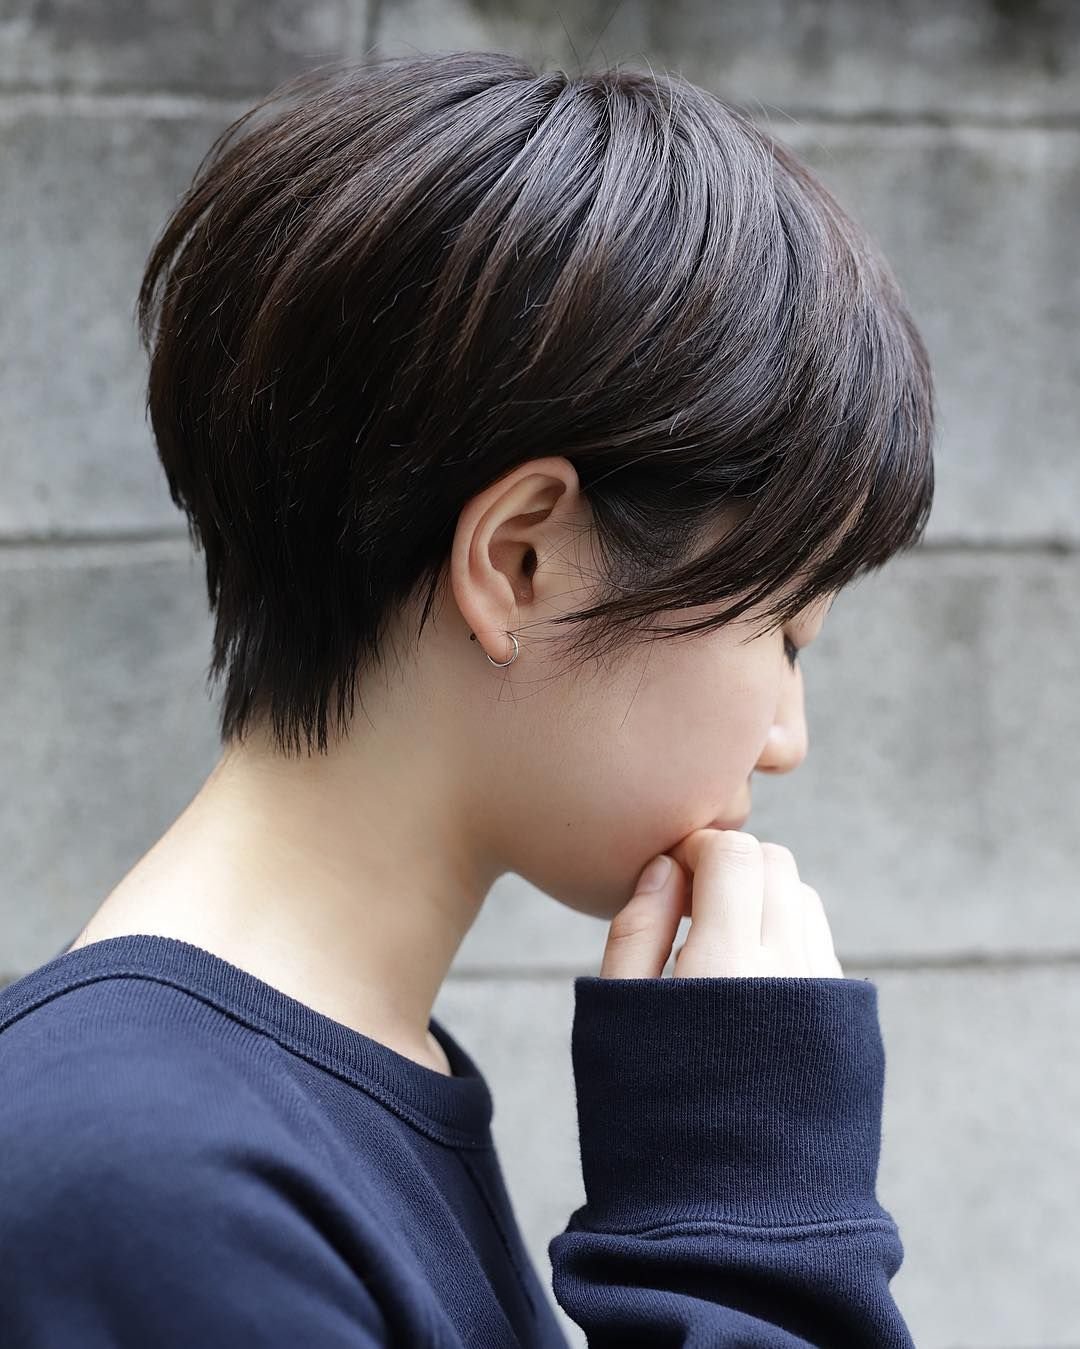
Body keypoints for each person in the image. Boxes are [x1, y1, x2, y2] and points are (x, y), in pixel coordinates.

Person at [0, 48, 934, 1347]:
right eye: (784, 632)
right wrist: (749, 1231)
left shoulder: (290, 1103)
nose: (788, 739)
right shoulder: (151, 1186)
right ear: (521, 560)